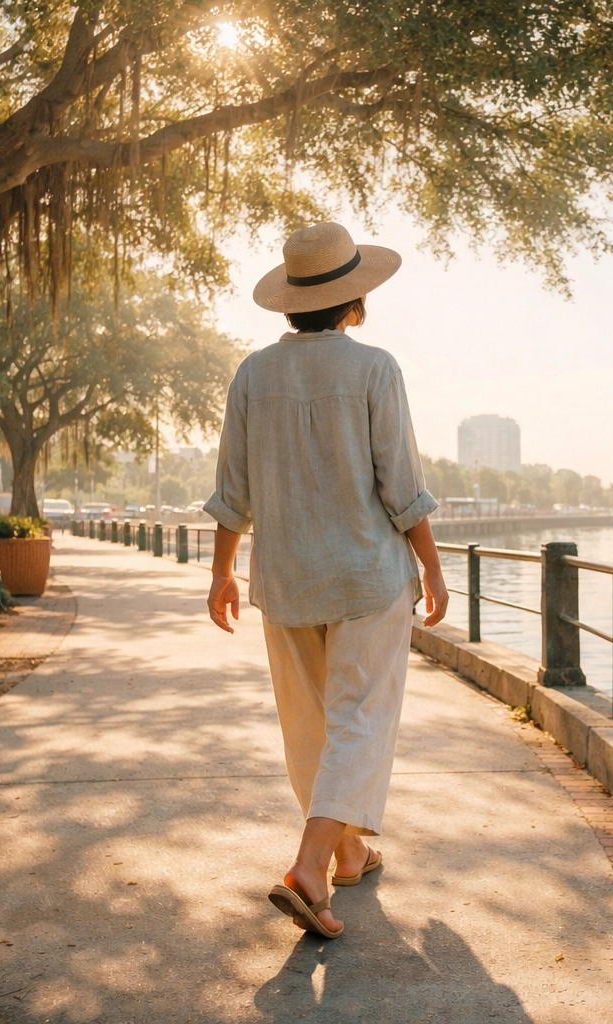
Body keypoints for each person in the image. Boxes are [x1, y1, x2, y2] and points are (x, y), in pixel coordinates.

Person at [204, 221, 448, 939]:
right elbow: (402, 487)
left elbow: (232, 490)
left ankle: (348, 853)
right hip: (368, 578)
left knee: (310, 725)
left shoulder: (253, 373)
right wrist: (431, 565)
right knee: (359, 720)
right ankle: (309, 866)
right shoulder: (375, 368)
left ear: (289, 303)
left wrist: (221, 572)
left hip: (285, 580)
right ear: (356, 303)